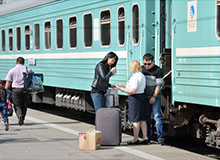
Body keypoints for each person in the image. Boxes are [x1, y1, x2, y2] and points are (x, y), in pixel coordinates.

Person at [117, 60, 148, 145]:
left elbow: (133, 90)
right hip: (142, 97)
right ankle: (145, 138)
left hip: (135, 99)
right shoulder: (141, 75)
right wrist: (123, 85)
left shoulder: (135, 76)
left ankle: (135, 139)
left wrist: (123, 90)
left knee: (135, 120)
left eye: (131, 67)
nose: (130, 69)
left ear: (134, 67)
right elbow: (135, 86)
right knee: (142, 119)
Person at [142, 53, 165, 145]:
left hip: (155, 96)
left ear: (153, 62)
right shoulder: (141, 69)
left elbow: (158, 85)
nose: (146, 66)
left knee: (157, 116)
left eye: (149, 64)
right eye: (145, 64)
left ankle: (160, 138)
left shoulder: (158, 70)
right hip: (145, 96)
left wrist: (154, 97)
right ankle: (147, 137)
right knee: (146, 117)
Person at [5, 57, 32, 126]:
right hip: (26, 90)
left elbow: (8, 82)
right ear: (23, 62)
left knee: (17, 105)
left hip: (16, 90)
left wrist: (5, 91)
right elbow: (32, 78)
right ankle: (22, 118)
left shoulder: (12, 70)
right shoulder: (28, 69)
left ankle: (19, 115)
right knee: (24, 105)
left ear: (16, 62)